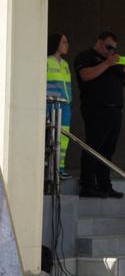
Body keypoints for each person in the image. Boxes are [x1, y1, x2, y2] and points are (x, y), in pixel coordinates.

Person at [74, 31, 125, 198]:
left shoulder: (114, 62)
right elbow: (85, 75)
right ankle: (87, 184)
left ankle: (104, 184)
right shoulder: (85, 56)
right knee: (94, 146)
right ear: (99, 42)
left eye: (114, 48)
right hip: (96, 109)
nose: (111, 51)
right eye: (109, 47)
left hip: (115, 110)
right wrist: (107, 63)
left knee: (109, 149)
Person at [46, 33, 74, 179]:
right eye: (64, 42)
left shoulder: (65, 64)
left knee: (64, 136)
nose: (67, 45)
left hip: (65, 106)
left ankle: (60, 166)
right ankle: (50, 166)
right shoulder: (47, 61)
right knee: (50, 136)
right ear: (56, 43)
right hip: (51, 104)